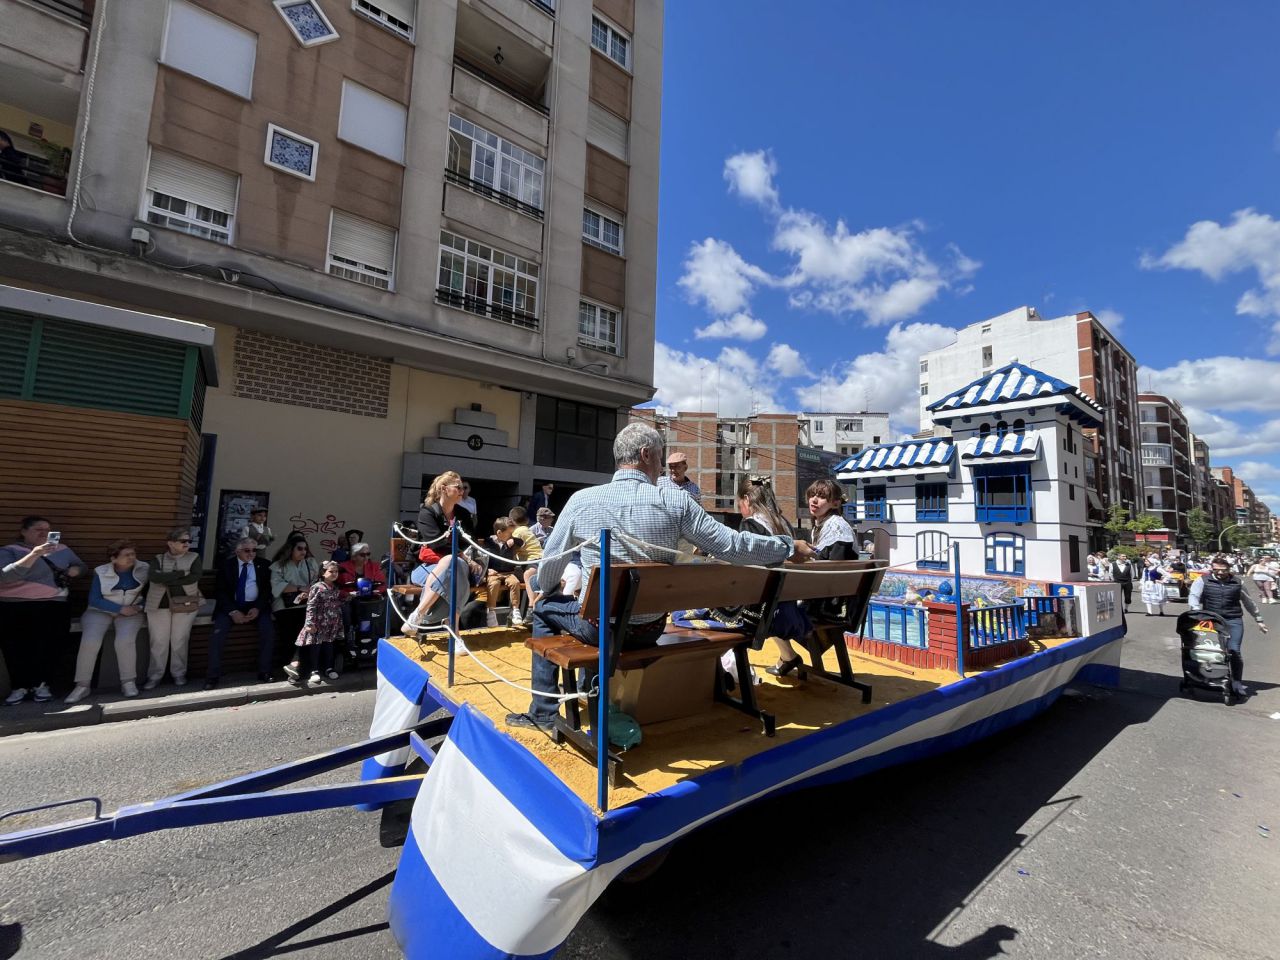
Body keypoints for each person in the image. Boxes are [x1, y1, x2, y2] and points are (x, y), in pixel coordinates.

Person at [506, 422, 812, 732]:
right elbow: (732, 546)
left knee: (546, 606)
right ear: (646, 454)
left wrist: (541, 588)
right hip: (648, 631)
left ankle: (544, 712)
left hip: (599, 629)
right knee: (586, 606)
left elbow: (548, 572)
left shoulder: (582, 501)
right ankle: (588, 689)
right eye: (660, 457)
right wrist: (787, 546)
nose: (663, 468)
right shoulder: (676, 502)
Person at [730, 478, 814, 677]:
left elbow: (746, 570)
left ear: (747, 499)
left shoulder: (750, 524)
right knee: (770, 599)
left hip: (764, 604)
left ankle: (729, 666)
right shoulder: (782, 523)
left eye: (739, 504)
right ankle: (788, 656)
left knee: (714, 608)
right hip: (785, 601)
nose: (740, 508)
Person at [0, 516, 84, 705]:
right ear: (23, 531)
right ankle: (19, 687)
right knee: (16, 648)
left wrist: (74, 571)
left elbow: (81, 566)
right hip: (15, 606)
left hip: (54, 605)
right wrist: (35, 554)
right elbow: (4, 577)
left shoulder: (62, 549)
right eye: (38, 529)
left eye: (47, 530)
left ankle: (42, 685)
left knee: (49, 647)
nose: (44, 533)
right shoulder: (9, 551)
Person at [65, 541, 150, 703]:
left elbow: (154, 594)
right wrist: (119, 609)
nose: (132, 558)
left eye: (133, 554)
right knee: (90, 641)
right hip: (100, 611)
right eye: (126, 555)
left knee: (125, 640)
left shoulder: (144, 569)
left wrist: (139, 607)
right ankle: (82, 685)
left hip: (132, 611)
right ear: (113, 558)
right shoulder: (101, 571)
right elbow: (94, 599)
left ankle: (128, 682)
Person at [406, 472, 479, 629]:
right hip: (426, 566)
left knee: (454, 565)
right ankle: (453, 627)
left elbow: (470, 541)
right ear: (444, 489)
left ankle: (418, 615)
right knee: (452, 564)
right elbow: (437, 544)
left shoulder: (463, 514)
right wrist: (462, 555)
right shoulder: (428, 513)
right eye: (458, 487)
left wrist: (464, 556)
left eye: (463, 488)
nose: (462, 491)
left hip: (459, 565)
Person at [1189, 555, 1268, 699]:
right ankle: (1209, 675)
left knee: (1234, 651)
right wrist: (1196, 612)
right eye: (1216, 570)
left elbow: (1248, 602)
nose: (1219, 573)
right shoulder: (1202, 580)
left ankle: (1237, 681)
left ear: (1229, 569)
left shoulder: (1237, 582)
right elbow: (1194, 596)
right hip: (1211, 621)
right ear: (1212, 569)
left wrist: (1259, 620)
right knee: (1210, 650)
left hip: (1233, 620)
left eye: (1223, 570)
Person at [206, 537, 276, 689]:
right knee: (217, 634)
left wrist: (257, 607)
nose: (251, 554)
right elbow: (220, 591)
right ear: (237, 551)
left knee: (268, 631)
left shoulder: (263, 565)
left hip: (256, 607)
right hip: (231, 607)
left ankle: (264, 671)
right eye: (247, 550)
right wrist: (233, 611)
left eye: (254, 550)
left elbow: (267, 591)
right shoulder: (227, 565)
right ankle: (212, 676)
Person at [143, 527, 204, 689]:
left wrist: (168, 578)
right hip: (158, 604)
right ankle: (155, 675)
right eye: (183, 541)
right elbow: (154, 577)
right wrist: (180, 574)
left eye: (189, 541)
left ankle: (179, 673)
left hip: (186, 603)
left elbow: (194, 577)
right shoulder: (158, 558)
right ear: (170, 543)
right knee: (158, 641)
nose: (187, 544)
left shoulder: (194, 557)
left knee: (179, 640)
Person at [283, 561, 344, 687]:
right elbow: (311, 605)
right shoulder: (317, 587)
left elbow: (336, 605)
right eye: (331, 571)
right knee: (315, 647)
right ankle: (314, 670)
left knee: (329, 646)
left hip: (331, 623)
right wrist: (310, 622)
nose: (334, 574)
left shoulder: (335, 588)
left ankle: (328, 668)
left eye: (336, 571)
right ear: (323, 573)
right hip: (318, 623)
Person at [271, 537, 320, 650]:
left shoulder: (310, 563)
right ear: (290, 549)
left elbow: (316, 582)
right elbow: (277, 587)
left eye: (305, 549)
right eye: (299, 548)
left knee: (311, 625)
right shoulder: (279, 565)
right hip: (283, 605)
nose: (303, 551)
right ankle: (290, 661)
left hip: (305, 603)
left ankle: (304, 661)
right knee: (290, 631)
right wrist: (300, 588)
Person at [484, 518, 523, 628]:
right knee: (494, 584)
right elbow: (482, 558)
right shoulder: (489, 543)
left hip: (508, 572)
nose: (511, 535)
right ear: (499, 533)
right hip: (494, 573)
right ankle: (491, 612)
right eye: (509, 533)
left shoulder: (511, 541)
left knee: (515, 582)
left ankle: (516, 609)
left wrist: (514, 540)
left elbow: (522, 543)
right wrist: (487, 570)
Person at [807, 479, 857, 560]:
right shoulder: (820, 526)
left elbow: (836, 566)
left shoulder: (837, 528)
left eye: (822, 497)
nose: (814, 500)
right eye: (812, 495)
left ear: (835, 504)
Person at [508, 505, 543, 614]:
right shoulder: (526, 529)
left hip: (534, 560)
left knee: (528, 575)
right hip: (539, 559)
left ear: (511, 521)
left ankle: (532, 606)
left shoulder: (518, 532)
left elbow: (516, 547)